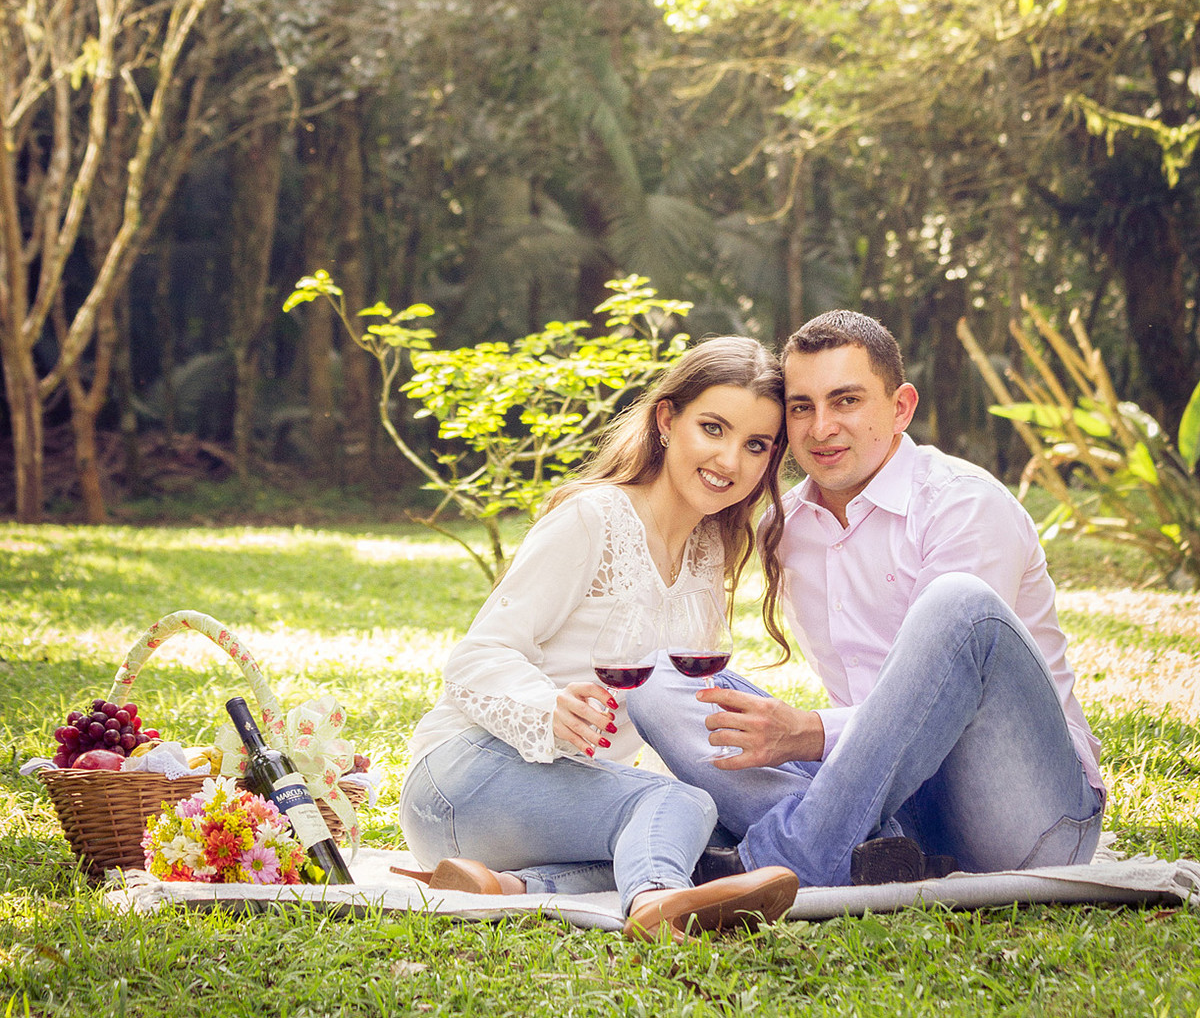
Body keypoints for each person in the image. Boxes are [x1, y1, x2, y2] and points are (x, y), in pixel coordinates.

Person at [627, 310, 1105, 890]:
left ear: (901, 407)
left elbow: (942, 703)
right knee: (655, 678)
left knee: (958, 604)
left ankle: (779, 858)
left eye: (846, 400)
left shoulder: (964, 504)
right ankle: (868, 849)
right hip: (883, 805)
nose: (821, 427)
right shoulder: (784, 526)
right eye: (802, 406)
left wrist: (806, 733)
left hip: (1025, 813)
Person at [399, 336, 801, 940]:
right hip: (464, 777)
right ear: (667, 420)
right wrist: (547, 707)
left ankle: (505, 888)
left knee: (706, 831)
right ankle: (655, 905)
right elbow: (475, 656)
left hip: (537, 809)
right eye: (712, 428)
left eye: (755, 445)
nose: (730, 461)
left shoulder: (707, 553)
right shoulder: (594, 518)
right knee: (679, 808)